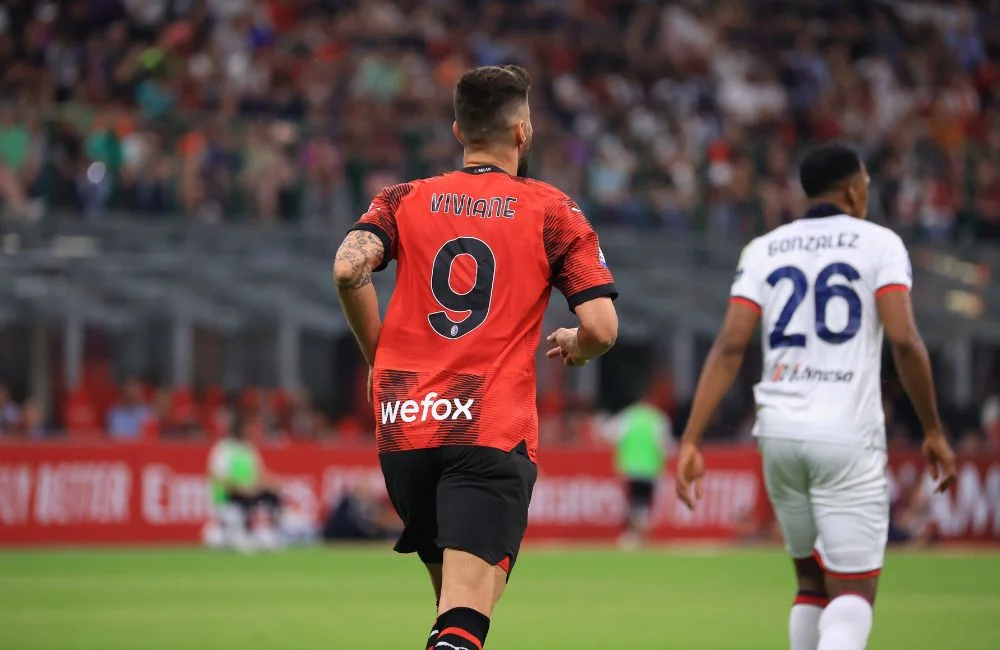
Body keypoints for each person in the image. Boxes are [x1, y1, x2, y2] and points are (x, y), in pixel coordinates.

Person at [333, 64, 619, 650]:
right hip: (488, 427)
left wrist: (377, 358)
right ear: (523, 131)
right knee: (467, 614)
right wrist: (577, 347)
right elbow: (602, 327)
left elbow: (347, 267)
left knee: (456, 613)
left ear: (458, 132)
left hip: (407, 426)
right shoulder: (551, 209)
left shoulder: (402, 199)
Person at [674, 144, 957, 650]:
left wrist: (692, 438)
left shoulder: (765, 248)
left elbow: (731, 343)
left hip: (779, 433)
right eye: (866, 183)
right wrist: (933, 429)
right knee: (852, 591)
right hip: (847, 433)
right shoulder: (880, 244)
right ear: (854, 189)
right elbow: (906, 341)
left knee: (810, 582)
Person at [604, 390, 672, 549]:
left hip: (630, 467)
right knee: (644, 502)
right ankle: (640, 533)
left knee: (634, 501)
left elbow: (608, 433)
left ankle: (633, 534)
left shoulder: (629, 416)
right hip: (650, 468)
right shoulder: (658, 419)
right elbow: (664, 445)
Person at [206, 416, 283, 552]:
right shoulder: (224, 449)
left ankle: (263, 530)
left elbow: (260, 474)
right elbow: (218, 477)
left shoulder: (248, 449)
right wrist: (242, 488)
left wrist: (271, 484)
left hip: (248, 498)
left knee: (271, 498)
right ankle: (226, 532)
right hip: (228, 499)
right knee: (221, 538)